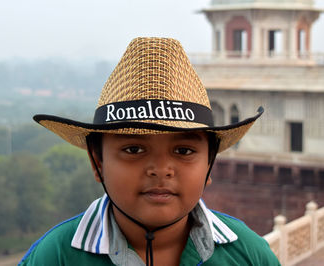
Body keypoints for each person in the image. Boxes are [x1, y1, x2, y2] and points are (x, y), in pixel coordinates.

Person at [19, 37, 280, 265]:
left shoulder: (248, 256)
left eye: (184, 150)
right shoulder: (56, 257)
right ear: (97, 162)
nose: (161, 170)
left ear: (210, 163)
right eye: (134, 149)